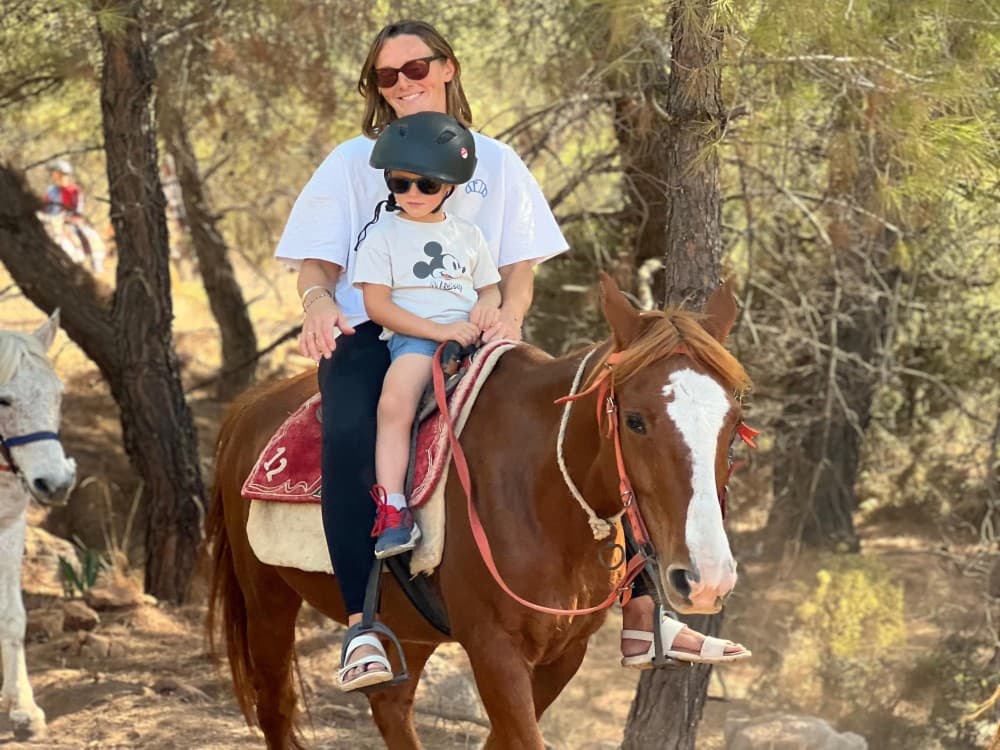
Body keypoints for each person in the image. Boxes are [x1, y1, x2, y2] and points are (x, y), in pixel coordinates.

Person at [275, 19, 745, 693]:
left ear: (447, 67)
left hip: (480, 333)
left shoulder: (495, 163)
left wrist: (506, 316)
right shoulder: (353, 162)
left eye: (416, 68)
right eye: (387, 75)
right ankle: (362, 624)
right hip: (373, 334)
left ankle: (644, 607)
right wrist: (319, 303)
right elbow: (316, 265)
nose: (403, 83)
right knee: (350, 430)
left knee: (607, 418)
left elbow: (517, 272)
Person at [352, 112, 501, 561]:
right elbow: (378, 307)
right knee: (394, 403)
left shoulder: (468, 235)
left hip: (475, 336)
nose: (413, 194)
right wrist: (439, 331)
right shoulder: (382, 236)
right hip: (416, 339)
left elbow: (489, 287)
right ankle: (394, 508)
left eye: (427, 185)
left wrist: (486, 306)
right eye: (401, 184)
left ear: (449, 187)